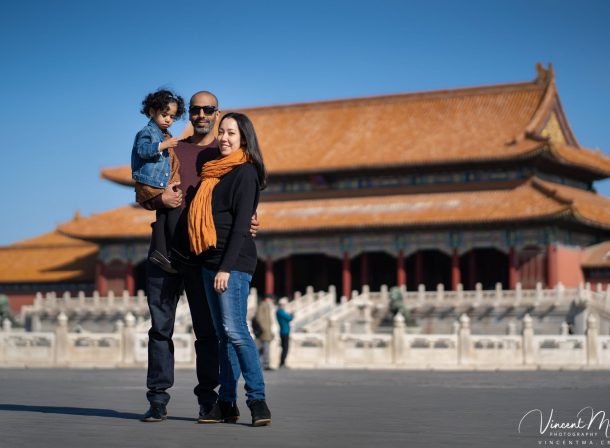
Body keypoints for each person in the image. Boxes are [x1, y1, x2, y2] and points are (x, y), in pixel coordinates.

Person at [141, 91, 259, 423]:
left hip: (202, 255)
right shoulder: (171, 148)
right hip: (165, 252)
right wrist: (158, 198)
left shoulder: (223, 154)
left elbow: (241, 198)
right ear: (188, 114)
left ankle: (209, 401)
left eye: (209, 110)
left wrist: (249, 218)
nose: (202, 115)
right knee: (160, 329)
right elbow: (142, 187)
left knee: (208, 333)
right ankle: (158, 399)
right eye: (196, 110)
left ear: (217, 113)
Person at [189, 112, 272, 426]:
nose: (224, 138)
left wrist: (226, 268)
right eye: (221, 132)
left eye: (231, 134)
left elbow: (240, 226)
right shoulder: (212, 174)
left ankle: (258, 399)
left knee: (237, 333)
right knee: (223, 336)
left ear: (244, 139)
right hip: (208, 263)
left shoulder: (245, 172)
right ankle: (226, 403)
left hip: (232, 265)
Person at [131, 89, 185, 273]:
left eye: (172, 116)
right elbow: (143, 151)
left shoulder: (165, 133)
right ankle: (167, 250)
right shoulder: (147, 132)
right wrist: (163, 145)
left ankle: (162, 252)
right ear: (152, 111)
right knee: (171, 211)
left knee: (167, 214)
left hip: (162, 182)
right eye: (164, 114)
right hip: (152, 183)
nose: (168, 119)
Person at [255, 296, 275, 371]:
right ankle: (265, 364)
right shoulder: (263, 305)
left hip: (267, 331)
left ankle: (259, 363)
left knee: (262, 348)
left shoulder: (266, 306)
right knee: (265, 348)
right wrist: (264, 328)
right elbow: (259, 318)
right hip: (265, 331)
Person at [276, 298, 294, 368]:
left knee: (284, 347)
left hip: (284, 331)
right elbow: (289, 318)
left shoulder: (280, 311)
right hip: (284, 331)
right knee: (285, 348)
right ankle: (282, 362)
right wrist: (292, 314)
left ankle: (282, 362)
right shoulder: (280, 311)